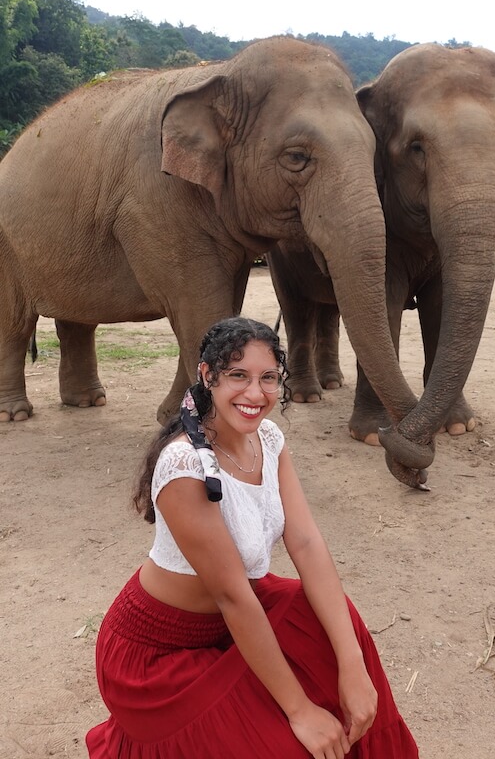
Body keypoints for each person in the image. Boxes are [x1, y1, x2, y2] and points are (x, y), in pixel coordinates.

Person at [86, 316, 419, 759]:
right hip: (159, 651)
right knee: (286, 747)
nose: (255, 394)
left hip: (234, 619)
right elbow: (232, 598)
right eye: (237, 376)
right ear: (207, 376)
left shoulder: (268, 437)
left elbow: (305, 543)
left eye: (267, 379)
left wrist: (353, 665)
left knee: (334, 624)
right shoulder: (185, 466)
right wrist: (300, 711)